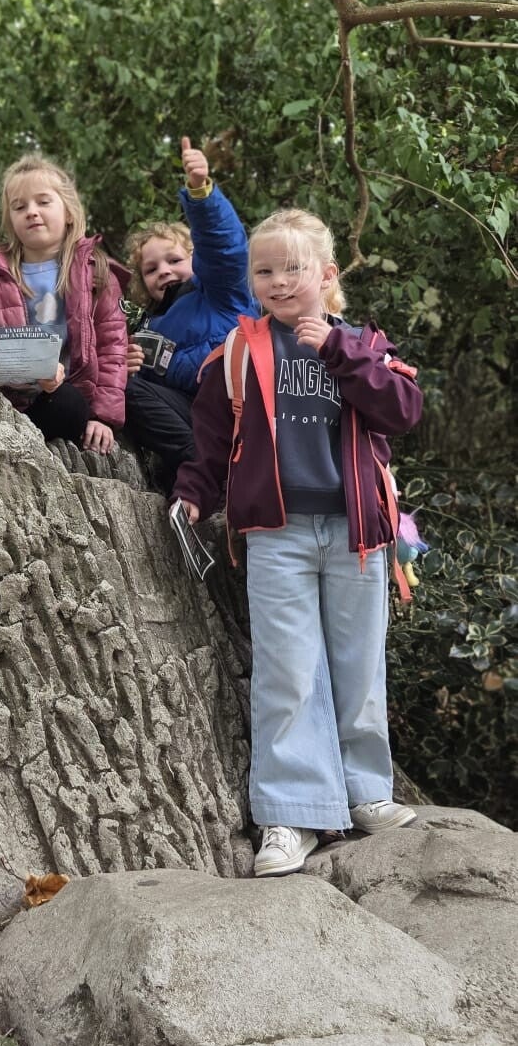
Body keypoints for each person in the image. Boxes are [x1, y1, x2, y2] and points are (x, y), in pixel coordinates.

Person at [175, 207, 424, 878]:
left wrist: (339, 352)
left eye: (294, 268)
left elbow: (403, 410)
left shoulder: (362, 342)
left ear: (326, 274)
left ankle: (365, 792)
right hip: (276, 533)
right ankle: (291, 813)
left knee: (357, 666)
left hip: (357, 533)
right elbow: (211, 437)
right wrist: (194, 493)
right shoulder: (241, 348)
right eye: (265, 271)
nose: (279, 281)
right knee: (287, 671)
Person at [123, 136, 258, 493]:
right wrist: (129, 365)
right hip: (193, 423)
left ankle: (209, 472)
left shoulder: (221, 291)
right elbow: (148, 397)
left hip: (238, 410)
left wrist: (201, 194)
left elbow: (225, 249)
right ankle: (199, 472)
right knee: (125, 389)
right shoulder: (148, 328)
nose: (164, 271)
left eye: (174, 260)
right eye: (151, 269)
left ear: (196, 260)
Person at [0, 153, 127, 454]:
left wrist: (103, 417)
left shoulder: (96, 272)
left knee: (69, 407)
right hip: (11, 403)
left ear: (69, 212)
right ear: (11, 221)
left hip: (69, 397)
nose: (32, 212)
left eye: (43, 202)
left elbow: (112, 348)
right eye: (20, 207)